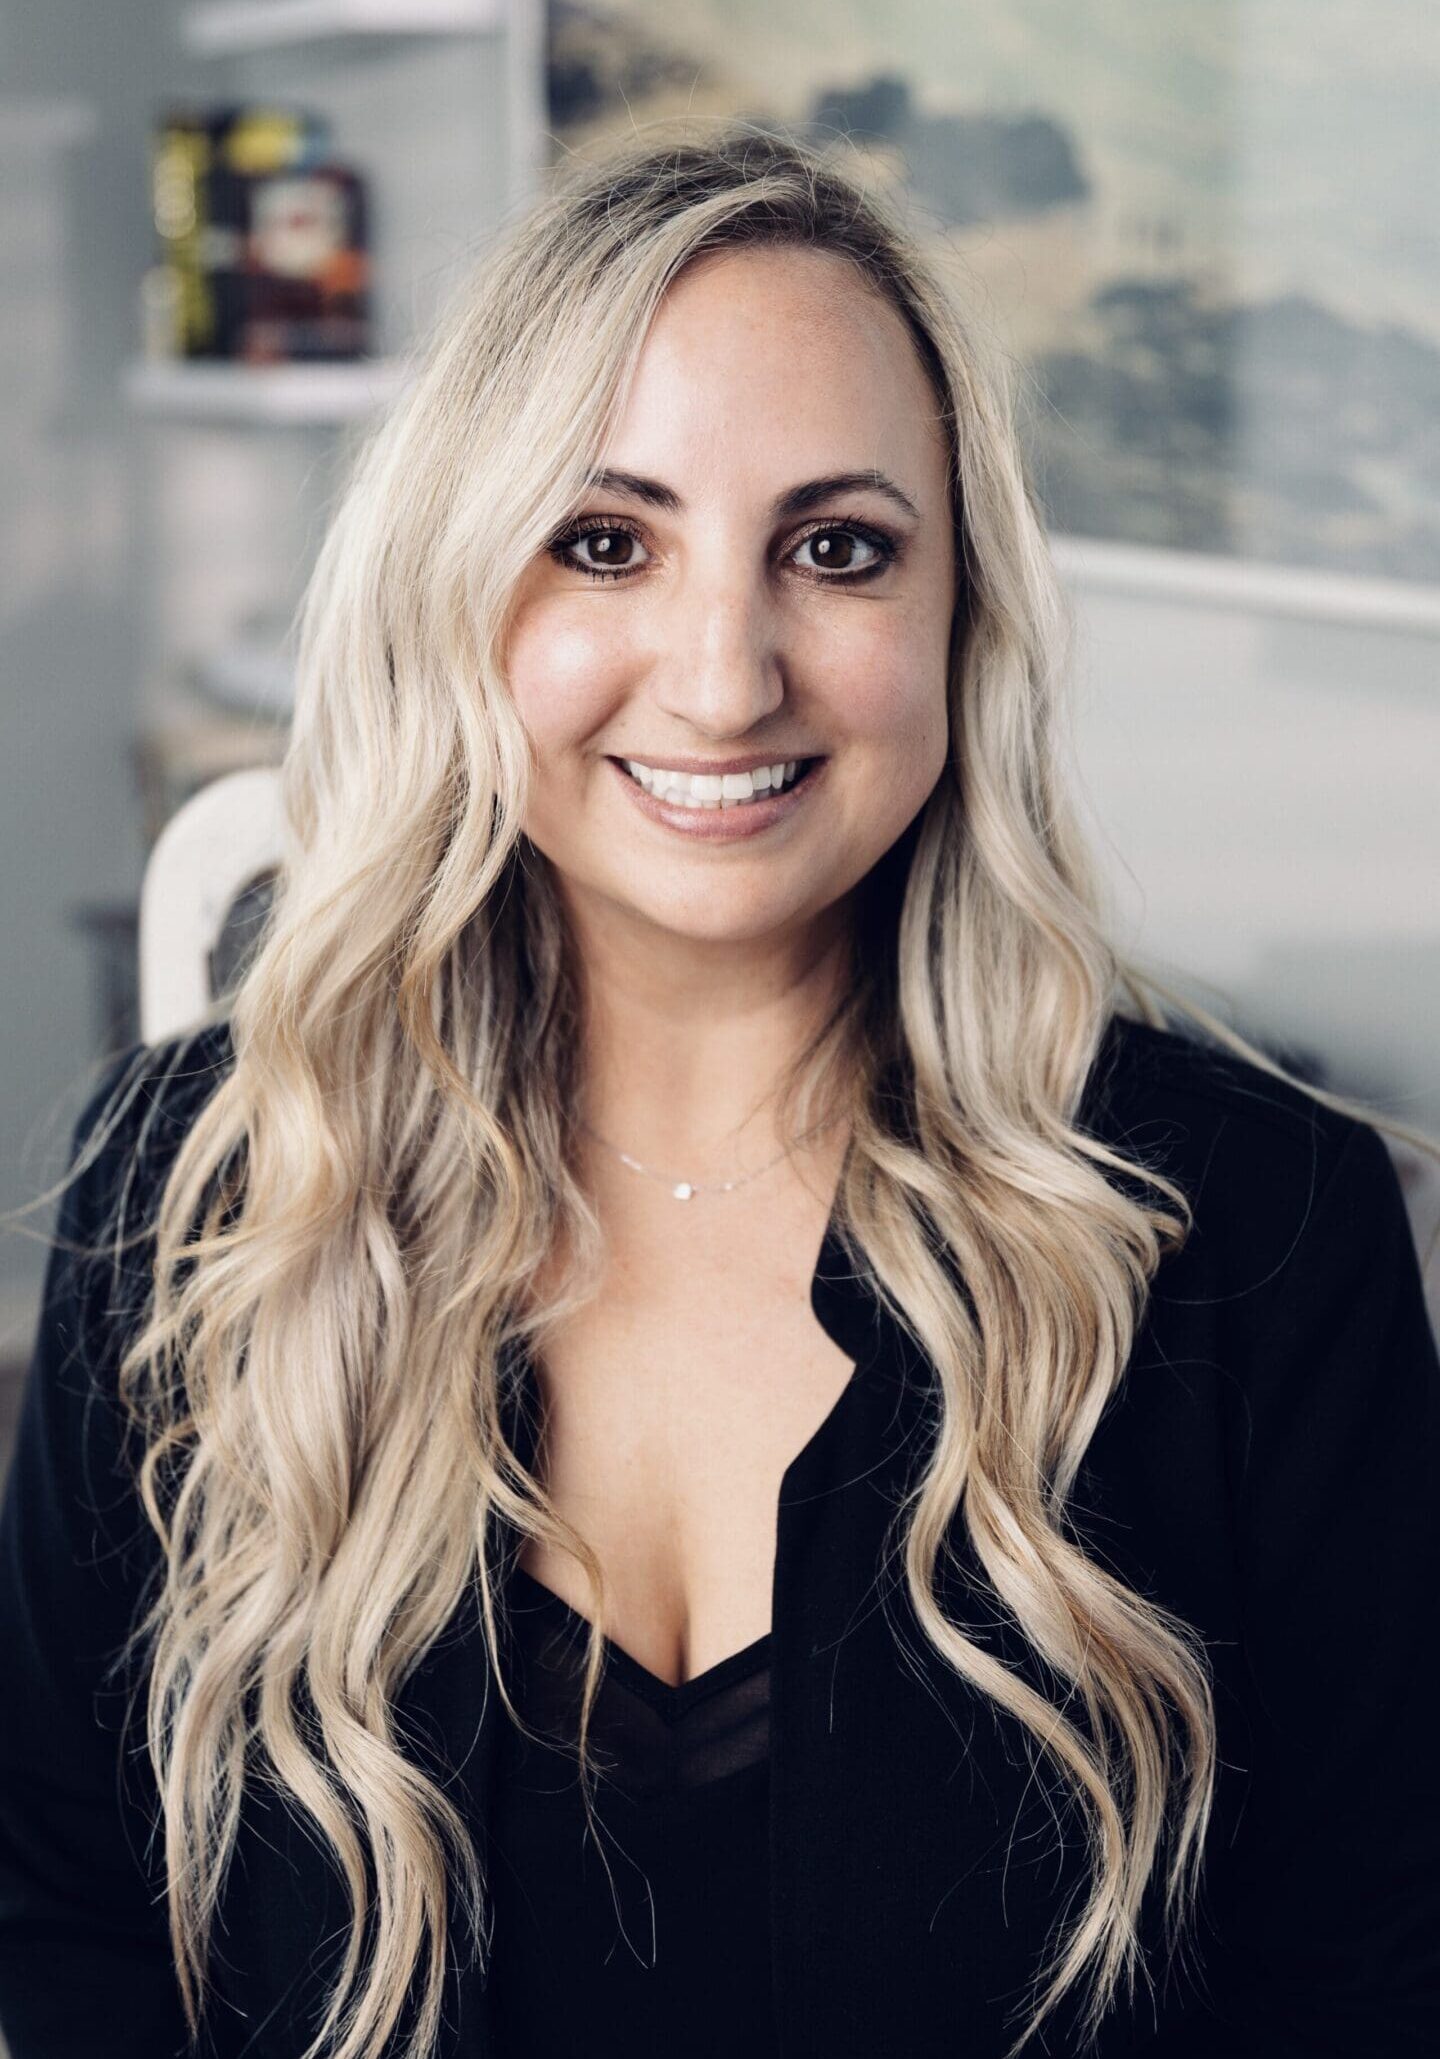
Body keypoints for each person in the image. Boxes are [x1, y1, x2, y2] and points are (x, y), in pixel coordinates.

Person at [2, 122, 1438, 2059]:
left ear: (960, 617)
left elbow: (1362, 1986)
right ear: (467, 596)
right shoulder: (191, 1204)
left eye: (836, 547)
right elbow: (73, 1922)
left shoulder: (1267, 1242)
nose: (723, 669)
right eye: (608, 540)